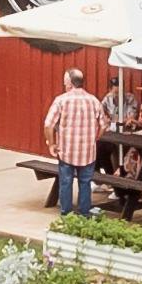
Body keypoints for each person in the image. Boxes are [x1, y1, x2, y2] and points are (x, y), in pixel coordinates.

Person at [43, 66, 107, 217]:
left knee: (66, 182)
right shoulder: (94, 100)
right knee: (85, 183)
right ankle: (84, 213)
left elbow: (48, 125)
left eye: (65, 81)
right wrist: (95, 138)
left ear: (69, 82)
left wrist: (51, 144)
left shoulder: (61, 100)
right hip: (88, 153)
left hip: (66, 151)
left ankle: (67, 214)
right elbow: (104, 125)